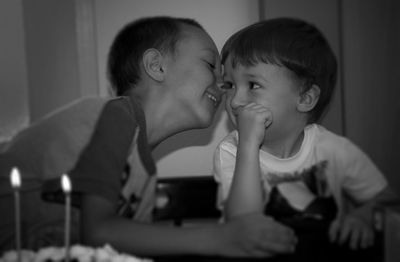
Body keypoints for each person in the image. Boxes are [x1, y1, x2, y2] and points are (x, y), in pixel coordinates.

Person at [0, 16, 297, 258]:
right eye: (210, 65)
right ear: (156, 66)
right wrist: (220, 237)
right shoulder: (113, 116)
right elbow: (98, 232)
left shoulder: (143, 178)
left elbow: (116, 249)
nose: (223, 83)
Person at [213, 17, 397, 257]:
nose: (235, 100)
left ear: (305, 98)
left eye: (253, 85)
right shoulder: (232, 150)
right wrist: (248, 143)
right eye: (230, 85)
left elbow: (387, 200)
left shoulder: (333, 148)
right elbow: (242, 226)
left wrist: (362, 217)